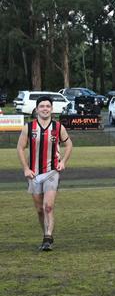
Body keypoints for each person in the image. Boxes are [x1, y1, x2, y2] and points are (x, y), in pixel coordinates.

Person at [16, 96, 73, 251]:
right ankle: (46, 235)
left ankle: (48, 237)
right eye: (42, 106)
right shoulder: (28, 127)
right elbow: (20, 148)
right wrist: (26, 168)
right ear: (37, 109)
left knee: (48, 206)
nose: (45, 108)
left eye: (48, 106)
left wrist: (63, 162)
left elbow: (68, 144)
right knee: (40, 210)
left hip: (52, 171)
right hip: (34, 174)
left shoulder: (58, 127)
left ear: (52, 109)